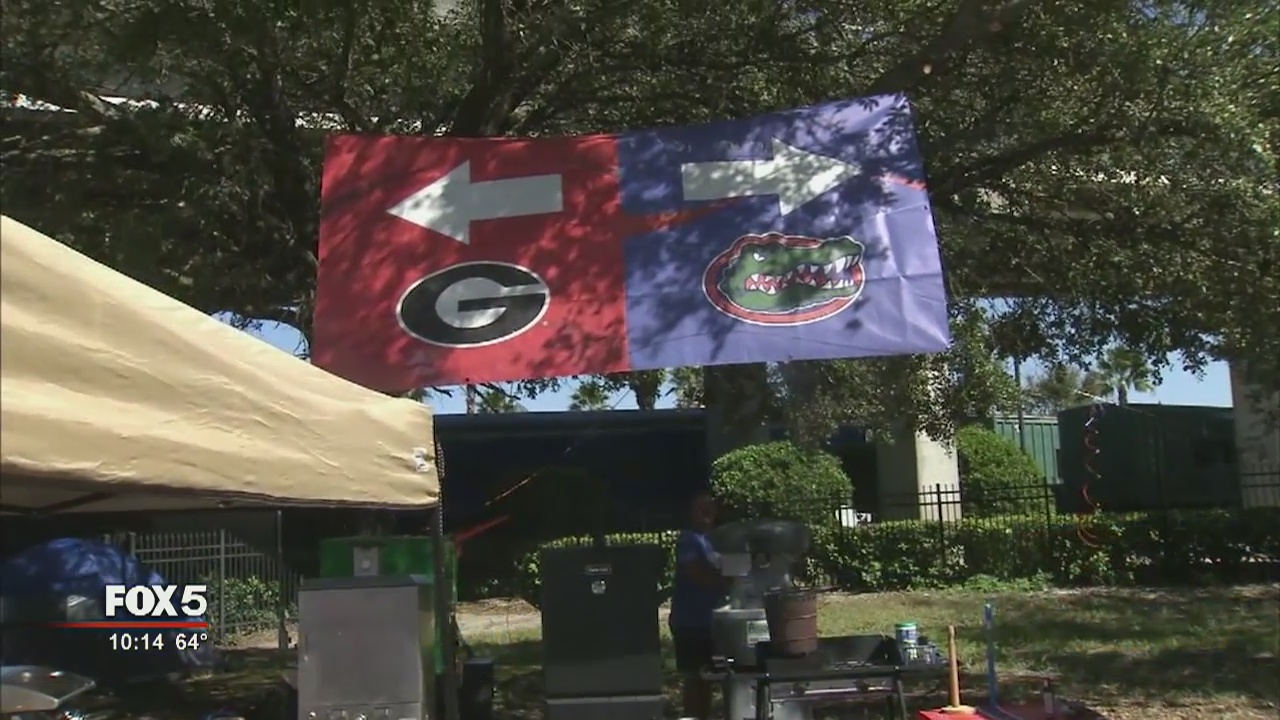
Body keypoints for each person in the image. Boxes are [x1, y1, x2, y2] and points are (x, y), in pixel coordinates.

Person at [668, 491, 727, 720]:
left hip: (711, 620)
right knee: (694, 678)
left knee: (710, 677)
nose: (707, 511)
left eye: (710, 506)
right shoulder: (689, 539)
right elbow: (697, 573)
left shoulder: (713, 541)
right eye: (701, 507)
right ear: (691, 512)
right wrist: (729, 581)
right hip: (690, 621)